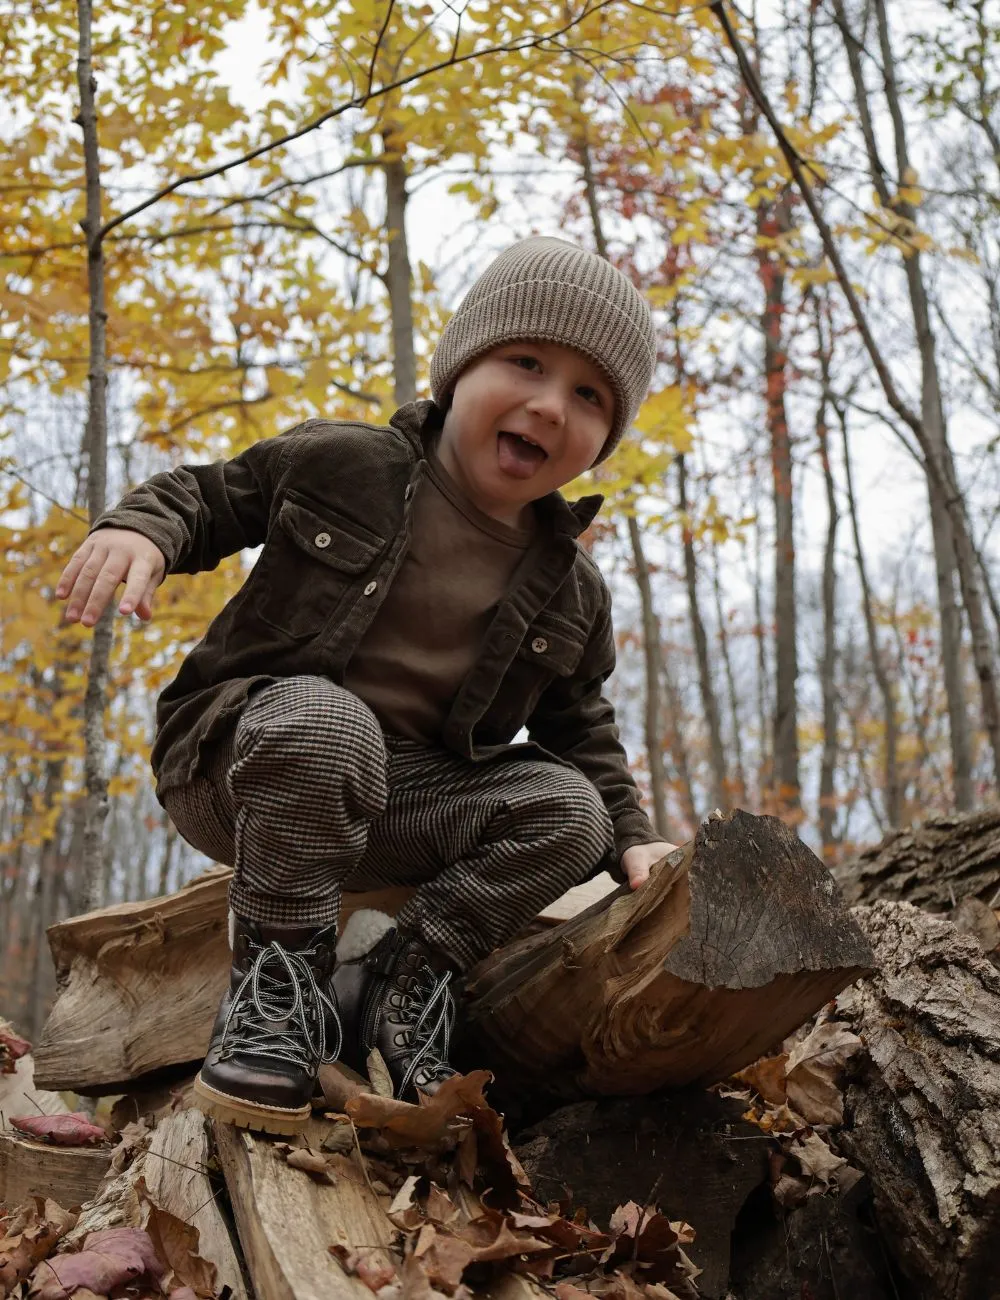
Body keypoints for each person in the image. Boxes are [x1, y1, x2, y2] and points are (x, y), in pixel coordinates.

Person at [55, 236, 675, 1135]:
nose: (549, 405)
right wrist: (142, 531)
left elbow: (581, 731)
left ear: (604, 441)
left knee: (569, 809)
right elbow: (212, 495)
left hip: (403, 799)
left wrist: (634, 837)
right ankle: (277, 993)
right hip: (243, 758)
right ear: (461, 368)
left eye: (589, 396)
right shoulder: (347, 464)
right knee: (325, 722)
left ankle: (402, 976)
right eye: (526, 363)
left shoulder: (572, 590)